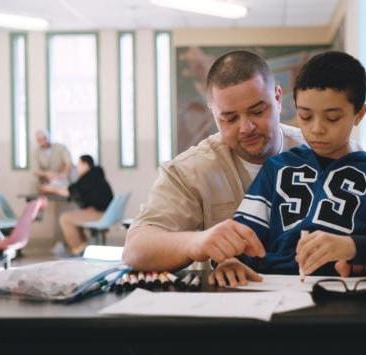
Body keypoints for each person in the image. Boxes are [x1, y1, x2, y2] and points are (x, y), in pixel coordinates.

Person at [209, 51, 366, 287]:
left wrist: (354, 246)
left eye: (332, 118)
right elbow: (239, 238)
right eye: (305, 116)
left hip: (344, 296)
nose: (317, 129)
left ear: (359, 114)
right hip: (273, 290)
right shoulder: (277, 169)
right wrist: (228, 260)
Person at [122, 50, 308, 271]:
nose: (246, 127)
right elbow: (135, 250)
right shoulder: (189, 171)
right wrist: (195, 242)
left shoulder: (323, 151)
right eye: (229, 118)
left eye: (257, 111)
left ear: (278, 98)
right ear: (213, 113)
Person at [40, 155, 113, 256]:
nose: (77, 167)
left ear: (85, 164)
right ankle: (83, 247)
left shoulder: (89, 177)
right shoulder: (96, 175)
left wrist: (51, 189)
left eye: (79, 164)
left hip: (100, 213)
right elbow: (76, 190)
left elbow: (70, 192)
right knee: (74, 217)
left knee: (65, 218)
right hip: (105, 212)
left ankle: (78, 250)